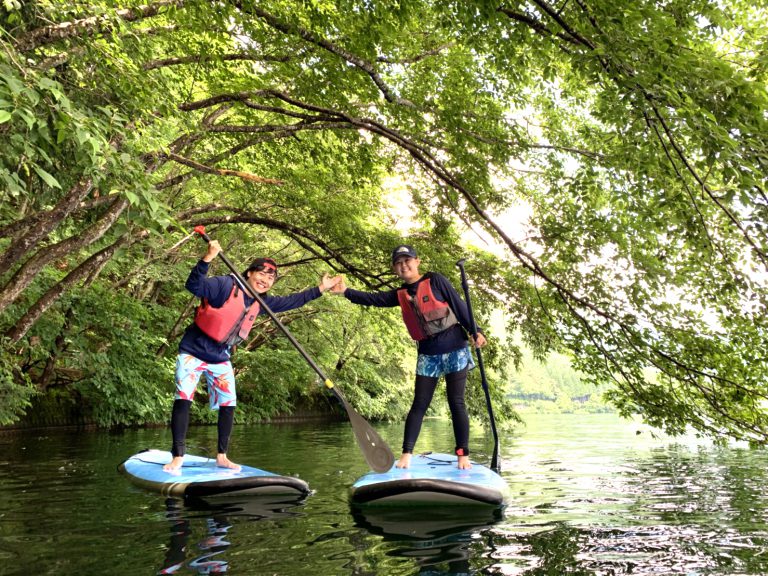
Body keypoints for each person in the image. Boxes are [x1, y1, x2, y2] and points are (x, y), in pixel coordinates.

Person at [163, 239, 341, 472]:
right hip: (193, 352)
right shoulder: (225, 285)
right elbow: (194, 285)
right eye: (261, 274)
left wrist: (321, 289)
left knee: (228, 404)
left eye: (271, 278)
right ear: (249, 273)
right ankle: (178, 456)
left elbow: (293, 301)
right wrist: (207, 258)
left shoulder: (262, 302)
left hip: (220, 357)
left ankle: (222, 456)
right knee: (184, 398)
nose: (265, 280)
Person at [330, 244, 486, 470]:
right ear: (395, 269)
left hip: (455, 348)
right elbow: (374, 299)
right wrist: (346, 292)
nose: (404, 266)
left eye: (407, 261)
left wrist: (476, 330)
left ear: (417, 262)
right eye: (399, 263)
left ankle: (463, 455)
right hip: (428, 353)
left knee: (456, 402)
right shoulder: (400, 294)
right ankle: (406, 455)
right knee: (419, 404)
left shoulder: (436, 280)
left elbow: (459, 305)